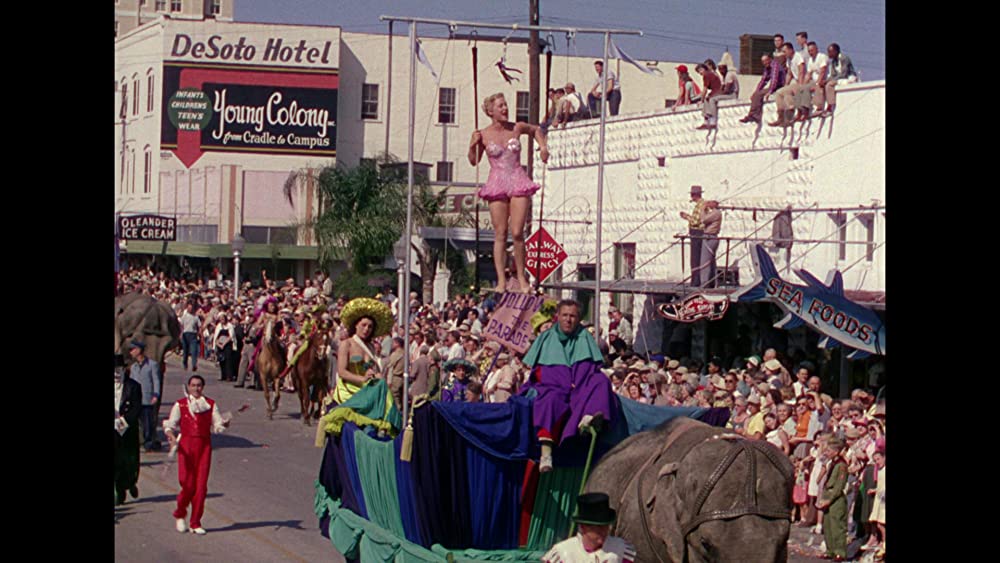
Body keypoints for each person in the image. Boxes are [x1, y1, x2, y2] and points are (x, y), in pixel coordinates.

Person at [522, 299, 616, 472]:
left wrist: (577, 381)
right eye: (564, 315)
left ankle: (589, 419)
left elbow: (588, 368)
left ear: (578, 318)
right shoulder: (546, 337)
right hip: (554, 384)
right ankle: (546, 453)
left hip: (579, 382)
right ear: (557, 316)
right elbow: (542, 372)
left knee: (601, 381)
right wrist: (565, 381)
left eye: (572, 316)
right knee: (551, 398)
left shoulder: (584, 336)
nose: (568, 319)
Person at [468, 93, 549, 295]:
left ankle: (522, 277)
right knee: (501, 233)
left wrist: (543, 147)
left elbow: (536, 130)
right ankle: (501, 280)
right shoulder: (484, 134)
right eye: (500, 106)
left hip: (517, 178)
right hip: (497, 181)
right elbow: (474, 160)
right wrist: (472, 144)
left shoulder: (517, 127)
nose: (505, 109)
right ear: (490, 111)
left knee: (517, 231)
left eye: (505, 105)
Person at [162, 375, 231, 535]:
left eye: (199, 385)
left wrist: (224, 424)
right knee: (187, 484)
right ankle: (180, 513)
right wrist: (171, 436)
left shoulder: (210, 404)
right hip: (186, 447)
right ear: (189, 387)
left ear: (203, 387)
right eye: (193, 385)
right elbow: (170, 425)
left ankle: (195, 522)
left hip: (204, 447)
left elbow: (217, 426)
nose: (196, 388)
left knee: (200, 487)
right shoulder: (180, 404)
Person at [543, 493, 636, 563]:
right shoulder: (564, 553)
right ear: (583, 527)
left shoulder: (619, 549)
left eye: (606, 526)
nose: (604, 531)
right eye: (599, 527)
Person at [333, 297, 393, 404]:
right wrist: (362, 379)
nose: (366, 329)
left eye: (370, 327)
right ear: (356, 325)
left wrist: (377, 376)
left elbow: (370, 368)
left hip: (368, 391)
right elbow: (342, 372)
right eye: (363, 325)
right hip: (349, 392)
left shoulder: (371, 347)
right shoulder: (347, 344)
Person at [115, 354, 143, 506]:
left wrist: (124, 421)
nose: (115, 373)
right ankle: (117, 490)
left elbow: (136, 408)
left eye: (118, 370)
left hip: (127, 428)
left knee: (128, 460)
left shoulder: (133, 386)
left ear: (124, 370)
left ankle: (129, 483)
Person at [816, 437, 850, 561]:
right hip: (827, 494)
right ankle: (830, 550)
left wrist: (829, 500)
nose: (826, 453)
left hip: (836, 499)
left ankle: (839, 552)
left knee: (837, 526)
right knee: (828, 526)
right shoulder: (832, 463)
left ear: (836, 451)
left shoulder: (841, 465)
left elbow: (839, 486)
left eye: (829, 451)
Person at [129, 340, 162, 452]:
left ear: (139, 350)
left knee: (147, 423)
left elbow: (156, 380)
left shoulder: (152, 365)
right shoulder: (133, 367)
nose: (131, 352)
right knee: (135, 423)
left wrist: (156, 394)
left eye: (132, 349)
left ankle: (148, 444)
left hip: (147, 398)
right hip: (135, 399)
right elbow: (131, 382)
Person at [739, 52, 786, 124]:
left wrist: (770, 91)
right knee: (757, 94)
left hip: (780, 87)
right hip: (774, 87)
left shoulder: (775, 65)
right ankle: (753, 115)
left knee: (759, 94)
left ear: (770, 59)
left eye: (766, 60)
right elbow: (763, 80)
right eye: (763, 61)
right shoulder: (767, 68)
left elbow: (774, 80)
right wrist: (756, 91)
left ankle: (754, 115)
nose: (764, 63)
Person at [816, 43, 858, 117]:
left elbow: (844, 74)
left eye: (830, 52)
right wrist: (825, 81)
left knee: (829, 85)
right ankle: (819, 107)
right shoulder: (833, 62)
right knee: (822, 85)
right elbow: (832, 75)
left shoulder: (844, 58)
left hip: (848, 78)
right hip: (839, 79)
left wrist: (830, 81)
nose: (828, 54)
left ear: (836, 51)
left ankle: (830, 107)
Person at [770, 42, 806, 127]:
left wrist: (801, 86)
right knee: (780, 93)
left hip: (802, 81)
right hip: (795, 81)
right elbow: (789, 74)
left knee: (786, 92)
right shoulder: (789, 60)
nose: (784, 53)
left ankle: (790, 113)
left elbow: (801, 71)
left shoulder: (798, 56)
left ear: (791, 50)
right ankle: (781, 116)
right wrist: (786, 85)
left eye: (785, 51)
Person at [679, 185, 708, 287]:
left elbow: (696, 221)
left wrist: (686, 216)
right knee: (698, 257)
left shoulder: (700, 205)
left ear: (695, 195)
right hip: (699, 232)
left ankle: (695, 281)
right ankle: (697, 280)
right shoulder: (702, 204)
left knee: (695, 258)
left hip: (697, 232)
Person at [699, 200, 722, 287]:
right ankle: (711, 282)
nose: (708, 204)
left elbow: (703, 219)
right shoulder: (713, 213)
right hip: (708, 237)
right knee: (710, 262)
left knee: (705, 261)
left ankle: (704, 283)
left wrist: (702, 209)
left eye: (710, 202)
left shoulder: (716, 213)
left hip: (710, 237)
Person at [695, 62, 723, 129]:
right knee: (706, 100)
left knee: (708, 100)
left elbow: (705, 89)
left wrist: (701, 100)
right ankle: (706, 120)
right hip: (716, 92)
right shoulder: (711, 74)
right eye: (699, 71)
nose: (700, 73)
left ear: (704, 69)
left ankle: (711, 121)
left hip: (716, 92)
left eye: (701, 70)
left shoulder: (706, 75)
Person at [180, 302, 202, 372]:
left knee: (194, 351)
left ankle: (194, 364)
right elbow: (181, 325)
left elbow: (199, 326)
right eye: (189, 308)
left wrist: (199, 333)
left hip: (193, 334)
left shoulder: (195, 317)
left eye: (191, 308)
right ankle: (185, 363)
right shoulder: (184, 316)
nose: (190, 309)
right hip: (185, 334)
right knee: (185, 351)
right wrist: (181, 334)